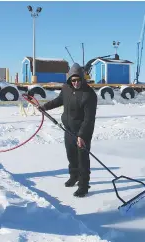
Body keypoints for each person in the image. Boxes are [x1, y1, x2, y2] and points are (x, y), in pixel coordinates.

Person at [39, 63, 98, 197]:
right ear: (69, 80)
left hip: (83, 131)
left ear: (83, 79)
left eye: (78, 80)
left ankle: (83, 185)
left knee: (82, 158)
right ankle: (74, 176)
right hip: (68, 129)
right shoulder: (66, 88)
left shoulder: (89, 95)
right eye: (73, 80)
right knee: (71, 155)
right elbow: (59, 100)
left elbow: (89, 119)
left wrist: (82, 135)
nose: (76, 82)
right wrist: (45, 107)